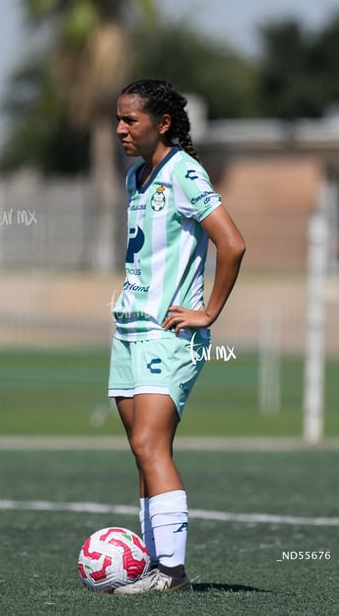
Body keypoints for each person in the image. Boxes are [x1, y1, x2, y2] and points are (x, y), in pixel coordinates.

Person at [108, 78, 246, 594]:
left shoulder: (185, 173)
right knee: (143, 451)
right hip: (128, 332)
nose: (120, 128)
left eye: (130, 120)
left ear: (161, 124)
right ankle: (151, 565)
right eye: (118, 119)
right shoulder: (134, 178)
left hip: (168, 337)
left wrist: (208, 312)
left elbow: (232, 245)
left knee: (150, 444)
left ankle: (172, 573)